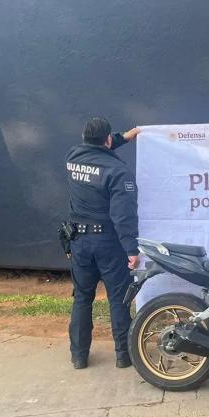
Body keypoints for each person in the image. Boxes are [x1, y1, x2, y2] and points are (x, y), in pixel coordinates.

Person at [65, 117, 141, 369]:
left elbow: (97, 148)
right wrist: (131, 249)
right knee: (118, 298)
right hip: (108, 243)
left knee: (82, 298)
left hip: (79, 241)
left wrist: (124, 137)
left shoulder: (73, 157)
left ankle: (79, 356)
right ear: (107, 139)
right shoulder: (118, 171)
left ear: (84, 138)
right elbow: (123, 215)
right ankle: (124, 355)